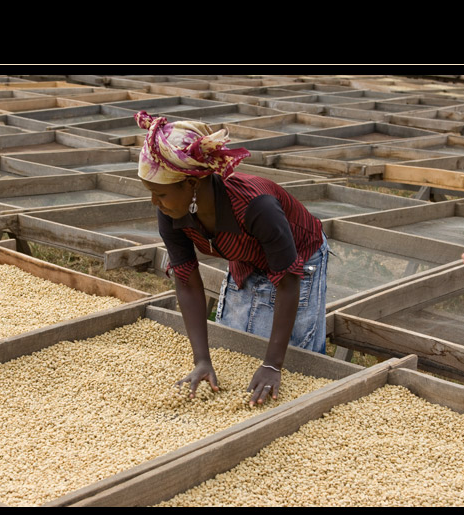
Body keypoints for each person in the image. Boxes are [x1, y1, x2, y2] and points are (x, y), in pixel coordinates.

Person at [135, 111, 330, 407]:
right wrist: (201, 360)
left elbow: (288, 283)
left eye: (160, 194)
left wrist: (273, 365)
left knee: (292, 357)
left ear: (191, 184)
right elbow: (186, 281)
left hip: (301, 255)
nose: (154, 203)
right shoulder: (171, 213)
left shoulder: (256, 207)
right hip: (245, 254)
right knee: (240, 342)